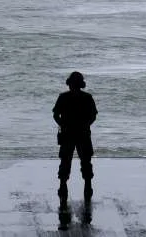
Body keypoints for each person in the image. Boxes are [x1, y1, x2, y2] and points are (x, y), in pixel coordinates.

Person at [52, 71, 98, 204]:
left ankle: (63, 185)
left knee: (65, 160)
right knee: (86, 160)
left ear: (70, 84)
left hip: (67, 134)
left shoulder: (63, 97)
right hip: (83, 133)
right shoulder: (87, 97)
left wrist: (63, 125)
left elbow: (55, 115)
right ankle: (88, 185)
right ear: (81, 84)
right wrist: (86, 125)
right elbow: (93, 116)